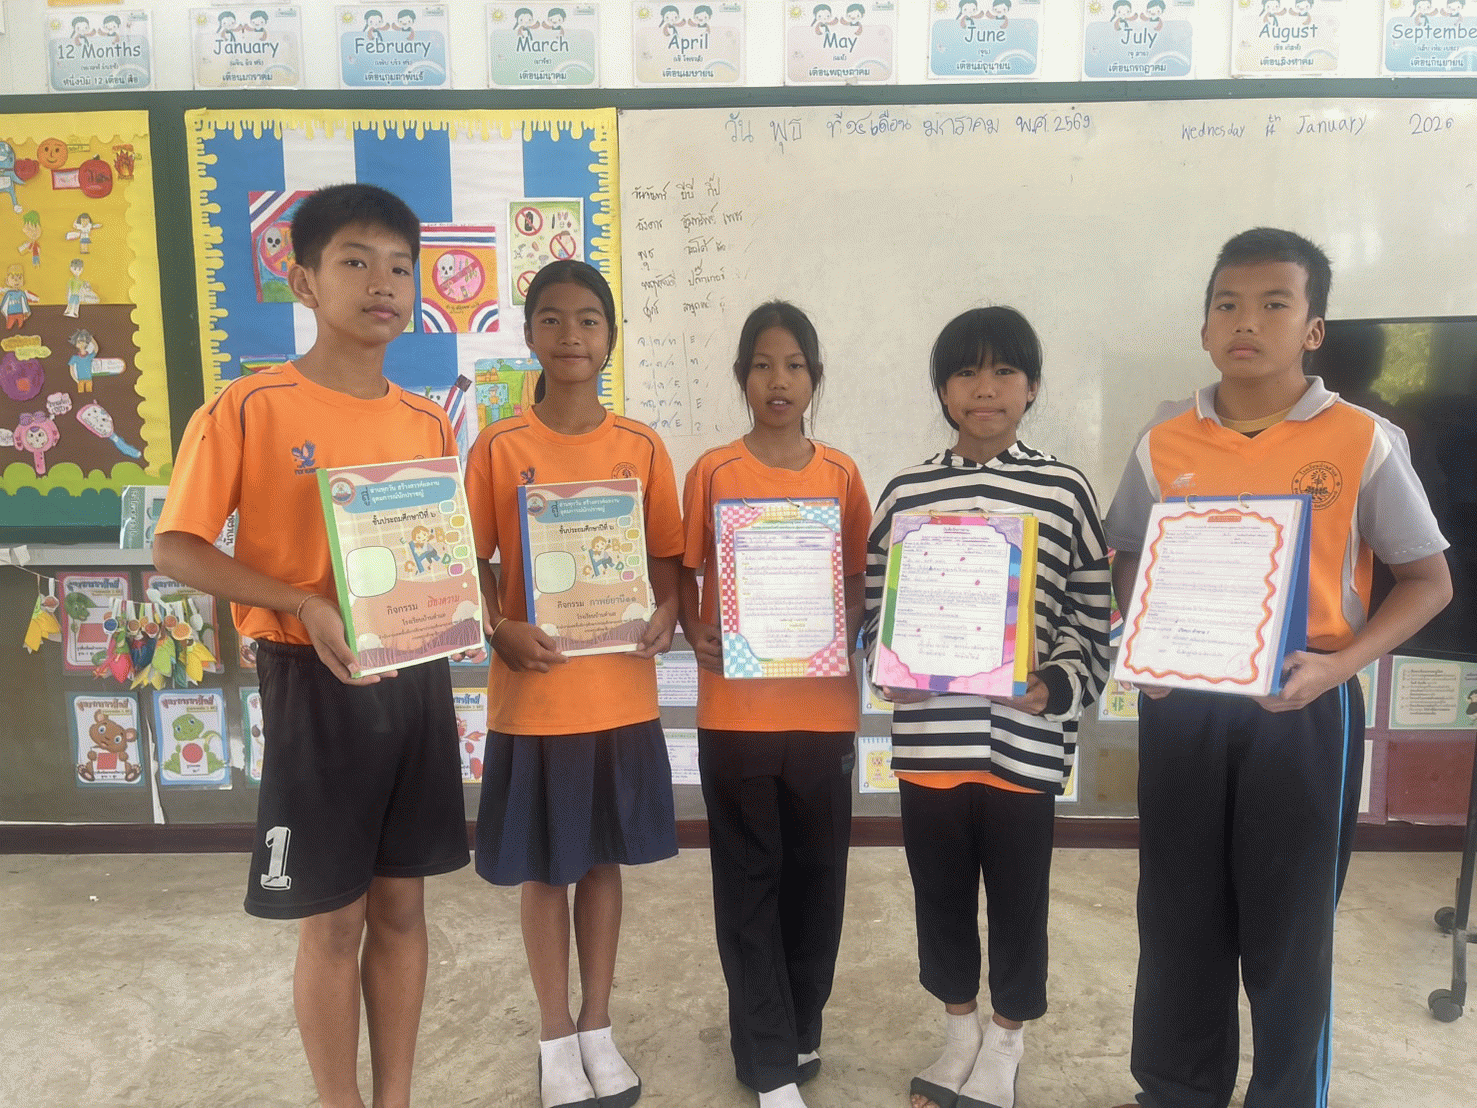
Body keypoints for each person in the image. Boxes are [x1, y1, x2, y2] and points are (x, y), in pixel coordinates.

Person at [1105, 227, 1452, 1108]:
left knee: (1289, 930)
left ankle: (1286, 1094)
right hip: (1181, 706)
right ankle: (1175, 1090)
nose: (1245, 322)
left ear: (1312, 329)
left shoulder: (1362, 440)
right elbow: (1127, 554)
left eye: (1272, 303)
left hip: (1302, 709)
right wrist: (1143, 638)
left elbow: (1428, 582)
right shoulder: (1162, 440)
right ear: (1203, 328)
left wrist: (1339, 669)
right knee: (1177, 915)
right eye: (1226, 304)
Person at [153, 183, 470, 1108]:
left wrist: (460, 604)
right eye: (355, 262)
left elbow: (433, 552)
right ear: (303, 281)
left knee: (402, 906)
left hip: (412, 672)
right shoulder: (250, 408)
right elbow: (176, 547)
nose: (383, 283)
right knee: (333, 918)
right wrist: (300, 602)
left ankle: (394, 1098)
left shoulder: (425, 420)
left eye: (400, 267)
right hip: (311, 680)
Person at [864, 307, 1113, 1108]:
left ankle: (1005, 1042)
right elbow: (874, 608)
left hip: (1022, 741)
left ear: (1030, 386)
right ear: (942, 389)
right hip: (930, 743)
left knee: (1016, 903)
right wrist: (887, 667)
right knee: (938, 898)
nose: (985, 388)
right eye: (966, 372)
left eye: (1004, 370)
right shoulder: (907, 492)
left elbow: (1089, 611)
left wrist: (1057, 685)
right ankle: (957, 1034)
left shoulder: (1063, 489)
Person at [465, 259, 682, 1108]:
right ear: (528, 336)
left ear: (610, 338)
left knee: (600, 865)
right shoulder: (499, 448)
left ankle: (597, 1024)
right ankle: (554, 1036)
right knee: (544, 872)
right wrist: (497, 627)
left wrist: (669, 609)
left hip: (618, 696)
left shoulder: (641, 447)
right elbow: (469, 565)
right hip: (535, 697)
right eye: (551, 319)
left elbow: (666, 557)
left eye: (588, 319)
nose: (570, 335)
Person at [678, 302, 871, 1108]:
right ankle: (766, 1064)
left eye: (793, 365)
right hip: (737, 719)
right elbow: (684, 573)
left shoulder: (841, 475)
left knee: (818, 882)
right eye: (762, 364)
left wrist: (833, 628)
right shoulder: (714, 472)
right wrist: (693, 628)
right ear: (742, 377)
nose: (777, 379)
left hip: (822, 715)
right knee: (748, 883)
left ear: (814, 378)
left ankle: (798, 1027)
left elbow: (858, 579)